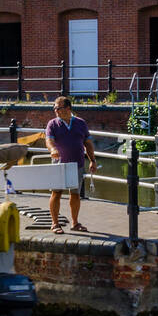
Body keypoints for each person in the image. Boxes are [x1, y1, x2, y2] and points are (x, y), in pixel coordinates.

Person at [45, 96, 97, 235]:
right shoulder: (53, 124)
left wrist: (92, 160)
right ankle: (55, 223)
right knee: (56, 193)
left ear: (68, 108)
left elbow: (88, 143)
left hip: (77, 164)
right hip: (59, 164)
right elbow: (49, 141)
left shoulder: (81, 123)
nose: (55, 111)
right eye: (54, 108)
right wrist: (53, 149)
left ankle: (75, 223)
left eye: (58, 108)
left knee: (75, 194)